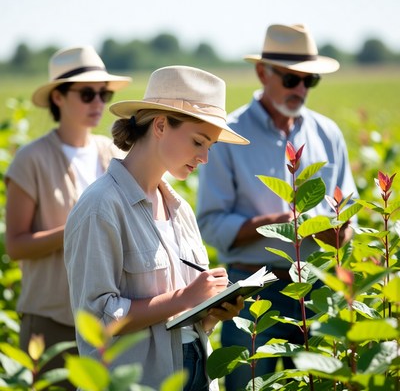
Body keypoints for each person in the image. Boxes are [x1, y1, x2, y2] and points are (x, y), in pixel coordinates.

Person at [64, 65, 249, 390]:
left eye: (211, 146)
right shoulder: (100, 206)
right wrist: (185, 297)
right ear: (161, 125)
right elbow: (95, 320)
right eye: (198, 141)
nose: (205, 157)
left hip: (196, 374)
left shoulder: (180, 209)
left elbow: (186, 317)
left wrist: (214, 309)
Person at [196, 24, 358, 390]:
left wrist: (340, 231)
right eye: (290, 79)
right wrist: (279, 225)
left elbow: (348, 212)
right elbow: (210, 223)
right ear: (261, 73)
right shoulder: (229, 134)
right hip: (252, 293)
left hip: (318, 292)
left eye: (309, 80)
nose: (300, 89)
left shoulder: (327, 133)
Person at [5, 45, 131, 386]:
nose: (98, 103)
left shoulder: (115, 153)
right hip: (50, 323)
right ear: (57, 98)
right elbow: (15, 246)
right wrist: (79, 228)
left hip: (110, 322)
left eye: (103, 94)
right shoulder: (30, 159)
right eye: (87, 93)